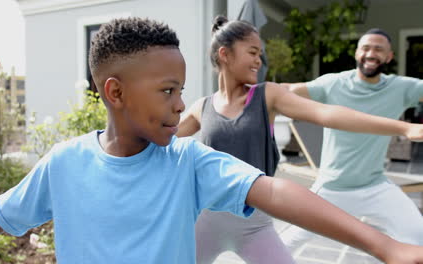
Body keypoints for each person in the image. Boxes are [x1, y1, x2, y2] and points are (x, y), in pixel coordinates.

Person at [0, 17, 423, 264]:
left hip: (249, 223)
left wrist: (384, 247)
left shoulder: (188, 161)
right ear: (114, 92)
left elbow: (276, 190)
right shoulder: (64, 163)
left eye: (181, 91)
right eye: (167, 92)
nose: (180, 104)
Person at [177, 17, 423, 264]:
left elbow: (328, 114)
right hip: (207, 220)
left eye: (260, 54)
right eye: (252, 52)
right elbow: (164, 137)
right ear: (225, 54)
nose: (259, 61)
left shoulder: (267, 95)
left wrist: (403, 127)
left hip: (255, 225)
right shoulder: (202, 107)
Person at [280, 28, 423, 254]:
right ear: (357, 53)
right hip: (331, 189)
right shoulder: (333, 83)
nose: (371, 53)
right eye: (365, 48)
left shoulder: (401, 87)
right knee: (286, 244)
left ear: (389, 56)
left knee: (417, 235)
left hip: (375, 186)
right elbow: (287, 91)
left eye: (378, 49)